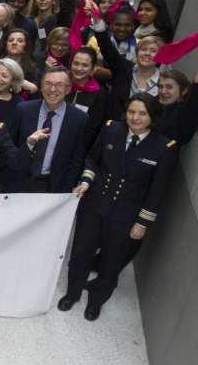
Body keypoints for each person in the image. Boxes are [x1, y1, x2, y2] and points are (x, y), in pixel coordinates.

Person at [60, 94, 176, 321]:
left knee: (111, 262)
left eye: (142, 113)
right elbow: (93, 160)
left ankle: (96, 300)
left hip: (126, 215)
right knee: (81, 252)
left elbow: (157, 190)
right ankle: (72, 293)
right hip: (95, 205)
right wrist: (85, 182)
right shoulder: (112, 129)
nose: (135, 118)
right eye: (132, 112)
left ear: (153, 117)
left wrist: (142, 223)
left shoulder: (164, 147)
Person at [13, 66, 90, 193]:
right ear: (41, 86)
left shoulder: (79, 119)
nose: (52, 89)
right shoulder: (23, 110)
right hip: (18, 182)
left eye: (59, 85)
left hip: (52, 187)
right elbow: (11, 146)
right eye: (48, 84)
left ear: (68, 89)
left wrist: (66, 191)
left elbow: (77, 159)